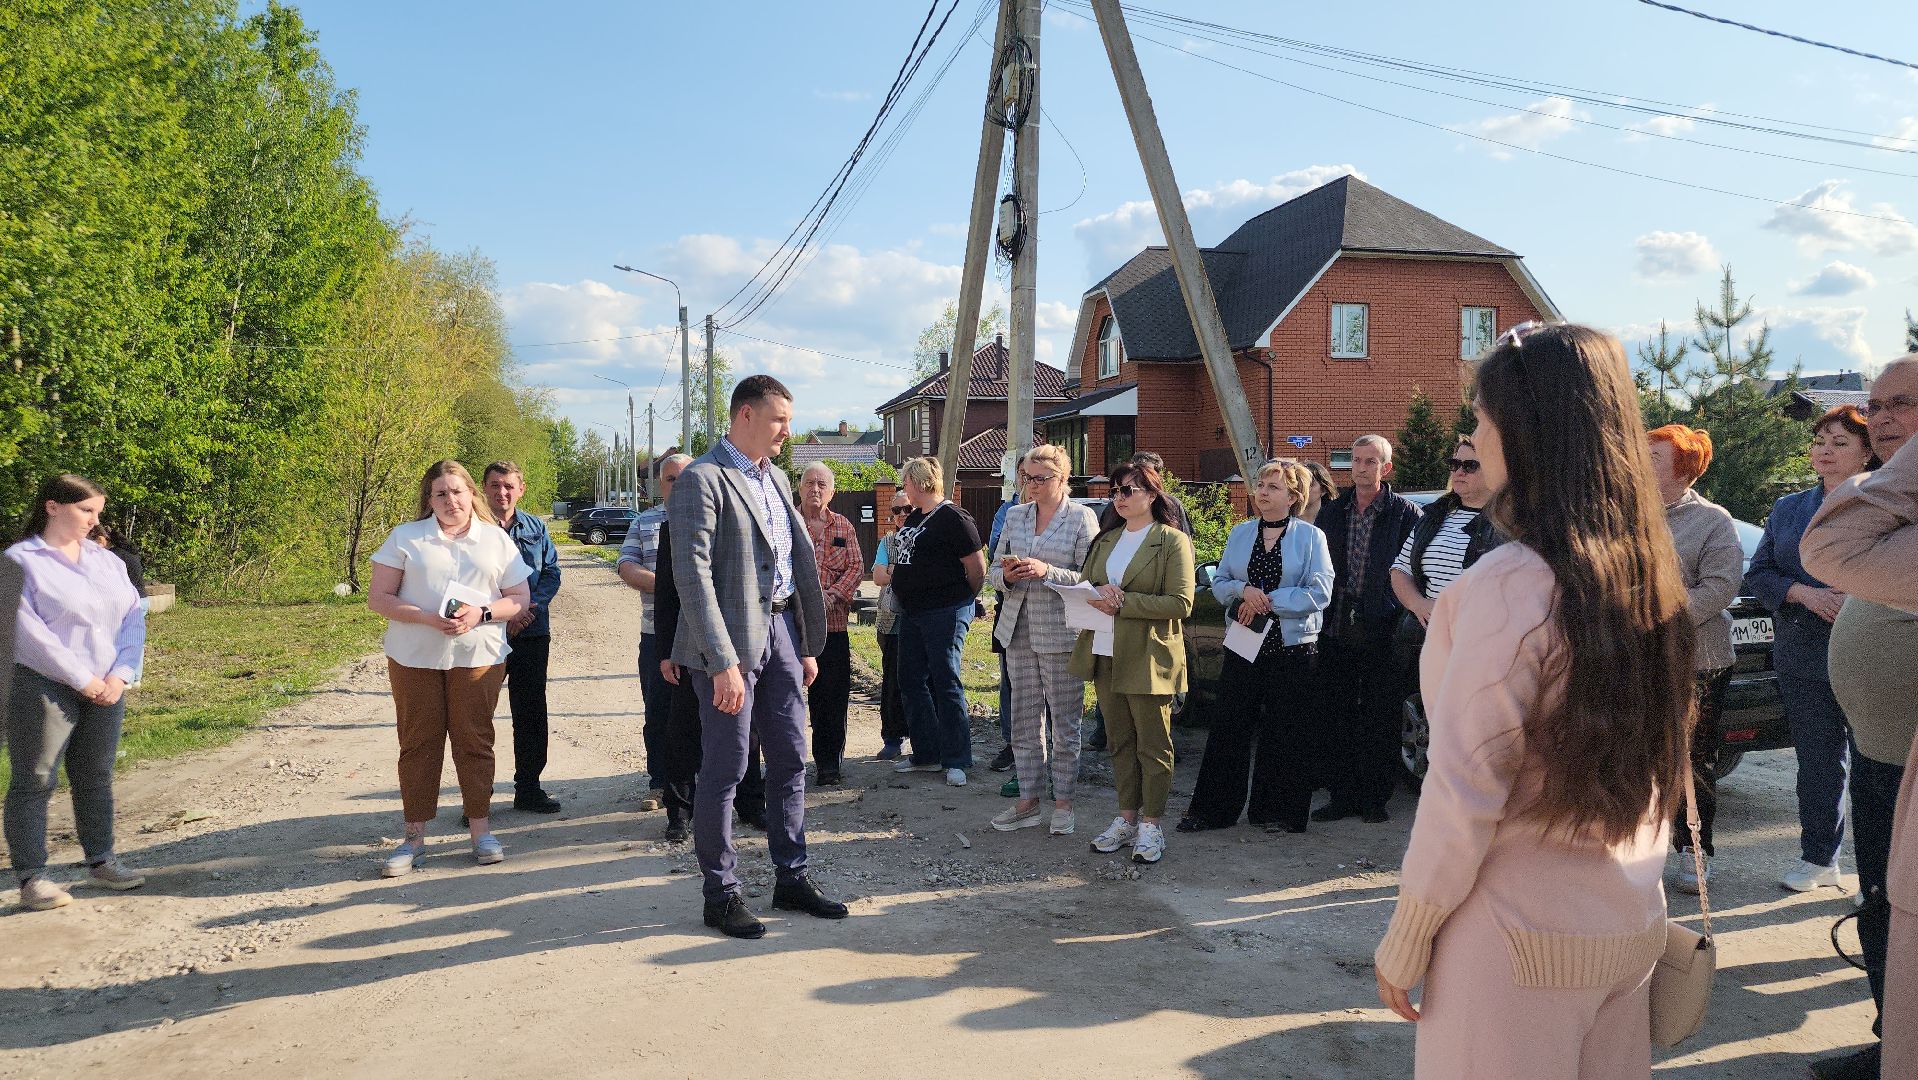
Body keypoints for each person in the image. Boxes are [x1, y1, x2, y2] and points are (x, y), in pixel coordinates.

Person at [1373, 322, 1696, 1077]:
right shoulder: (1647, 577)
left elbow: (1463, 790)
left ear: (1525, 431)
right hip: (1630, 924)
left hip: (1512, 943)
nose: (1471, 435)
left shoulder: (1508, 587)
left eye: (1481, 417)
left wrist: (1409, 932)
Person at [669, 375, 844, 940]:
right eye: (778, 420)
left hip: (781, 635)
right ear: (744, 415)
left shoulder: (772, 480)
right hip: (730, 646)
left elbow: (789, 565)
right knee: (728, 767)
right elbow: (691, 575)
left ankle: (791, 877)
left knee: (792, 760)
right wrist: (721, 661)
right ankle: (720, 895)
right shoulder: (703, 478)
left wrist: (804, 646)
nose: (786, 432)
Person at [1800, 355, 1918, 1080]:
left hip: (1908, 768)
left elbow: (1830, 548)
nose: (1879, 419)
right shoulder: (1887, 503)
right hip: (1879, 756)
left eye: (1901, 403)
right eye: (1873, 405)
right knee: (1881, 908)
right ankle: (1893, 1039)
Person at [366, 460, 533, 876]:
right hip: (413, 656)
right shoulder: (406, 538)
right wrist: (425, 617)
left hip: (478, 658)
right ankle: (413, 839)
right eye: (441, 493)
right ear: (429, 499)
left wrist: (483, 613)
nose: (450, 500)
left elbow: (519, 598)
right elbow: (379, 598)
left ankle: (481, 832)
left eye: (457, 491)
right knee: (418, 742)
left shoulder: (494, 540)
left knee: (474, 741)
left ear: (471, 494)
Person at [1744, 406, 1875, 894]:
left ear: (1867, 451)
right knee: (1818, 760)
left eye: (1840, 442)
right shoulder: (1788, 508)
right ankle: (1819, 856)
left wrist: (1858, 595)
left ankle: (1875, 871)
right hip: (1803, 650)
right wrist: (1804, 594)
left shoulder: (1886, 503)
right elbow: (1759, 574)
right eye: (1820, 440)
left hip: (1869, 647)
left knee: (1874, 762)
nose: (1825, 450)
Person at [5, 475, 149, 911]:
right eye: (87, 511)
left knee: (96, 775)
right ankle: (32, 877)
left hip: (108, 683)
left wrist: (120, 675)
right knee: (36, 778)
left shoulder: (106, 561)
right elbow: (26, 632)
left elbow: (133, 616)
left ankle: (102, 861)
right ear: (52, 507)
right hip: (44, 684)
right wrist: (81, 678)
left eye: (98, 512)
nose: (95, 521)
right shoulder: (20, 560)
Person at [1177, 459, 1332, 834]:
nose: (1262, 492)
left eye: (1273, 487)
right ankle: (1213, 811)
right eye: (1261, 484)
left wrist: (1268, 600)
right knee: (1229, 725)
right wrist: (1243, 591)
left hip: (1293, 646)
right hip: (1245, 642)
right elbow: (1222, 581)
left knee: (1285, 730)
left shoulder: (1311, 538)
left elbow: (1321, 592)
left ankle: (1278, 813)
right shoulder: (1241, 533)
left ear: (1294, 496)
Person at [1071, 461, 1195, 864]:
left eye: (1129, 490)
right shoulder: (1106, 539)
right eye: (1116, 491)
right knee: (1118, 741)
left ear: (1153, 495)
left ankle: (1152, 825)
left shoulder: (1172, 540)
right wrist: (1091, 595)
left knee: (1153, 745)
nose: (1120, 498)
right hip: (1104, 651)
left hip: (1149, 656)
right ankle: (1126, 819)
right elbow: (1086, 589)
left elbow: (1181, 603)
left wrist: (1121, 602)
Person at [1647, 424, 1743, 894]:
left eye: (1655, 458)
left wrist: (1662, 613)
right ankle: (1640, 849)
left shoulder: (1713, 520)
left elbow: (1723, 585)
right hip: (1637, 659)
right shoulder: (1628, 517)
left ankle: (1695, 851)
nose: (1642, 464)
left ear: (1684, 468)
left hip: (1698, 660)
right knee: (1638, 757)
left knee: (1692, 760)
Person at [986, 445, 1100, 836]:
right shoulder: (1015, 515)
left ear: (1062, 478)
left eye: (1040, 478)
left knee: (1065, 723)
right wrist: (1009, 576)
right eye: (1027, 477)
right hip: (1017, 629)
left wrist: (1047, 570)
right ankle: (1029, 800)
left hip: (1061, 631)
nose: (1032, 485)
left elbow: (1092, 579)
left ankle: (1064, 802)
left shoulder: (1082, 518)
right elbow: (992, 571)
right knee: (1022, 719)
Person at [1314, 435, 1421, 824]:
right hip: (1337, 622)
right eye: (1356, 460)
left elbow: (1416, 571)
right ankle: (1341, 796)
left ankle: (1375, 798)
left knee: (1380, 714)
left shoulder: (1405, 514)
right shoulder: (1333, 512)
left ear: (1385, 468)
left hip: (1384, 626)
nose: (1360, 468)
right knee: (1337, 712)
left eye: (1370, 461)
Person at [889, 456, 987, 788]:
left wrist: (963, 602)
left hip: (945, 611)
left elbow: (976, 567)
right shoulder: (916, 515)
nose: (903, 488)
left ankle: (957, 758)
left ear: (918, 482)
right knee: (911, 680)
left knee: (946, 681)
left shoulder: (953, 517)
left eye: (905, 481)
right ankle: (927, 754)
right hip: (913, 612)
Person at [483, 461, 564, 814]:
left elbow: (551, 572)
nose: (502, 492)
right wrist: (501, 616)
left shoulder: (536, 527)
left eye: (508, 486)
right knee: (476, 713)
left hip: (531, 631)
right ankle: (477, 794)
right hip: (483, 634)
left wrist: (528, 610)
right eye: (495, 485)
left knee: (530, 711)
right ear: (484, 489)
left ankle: (528, 788)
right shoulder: (473, 528)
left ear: (521, 489)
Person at [618, 453, 691, 812]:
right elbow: (627, 566)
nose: (678, 484)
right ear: (660, 484)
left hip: (704, 635)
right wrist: (670, 587)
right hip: (657, 634)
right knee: (658, 710)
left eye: (685, 477)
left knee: (704, 710)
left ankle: (701, 782)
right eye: (671, 479)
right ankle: (660, 782)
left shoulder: (711, 517)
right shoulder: (644, 522)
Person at [797, 463, 862, 786]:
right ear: (799, 487)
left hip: (833, 628)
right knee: (786, 701)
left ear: (832, 491)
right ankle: (789, 764)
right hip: (790, 630)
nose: (815, 489)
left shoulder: (844, 527)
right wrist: (803, 600)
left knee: (832, 701)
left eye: (822, 484)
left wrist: (830, 596)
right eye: (809, 483)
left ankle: (828, 765)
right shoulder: (788, 523)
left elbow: (856, 567)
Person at [871, 493, 911, 760]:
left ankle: (921, 737)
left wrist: (894, 571)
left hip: (919, 620)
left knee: (921, 682)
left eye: (907, 508)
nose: (902, 514)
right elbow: (878, 576)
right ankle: (892, 737)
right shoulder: (887, 541)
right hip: (892, 623)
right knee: (892, 682)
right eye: (897, 510)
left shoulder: (925, 535)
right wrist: (906, 571)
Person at [1299, 460, 1339, 525]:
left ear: (1323, 489)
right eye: (1298, 483)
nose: (1302, 488)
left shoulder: (1335, 521)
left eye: (1310, 484)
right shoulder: (1284, 520)